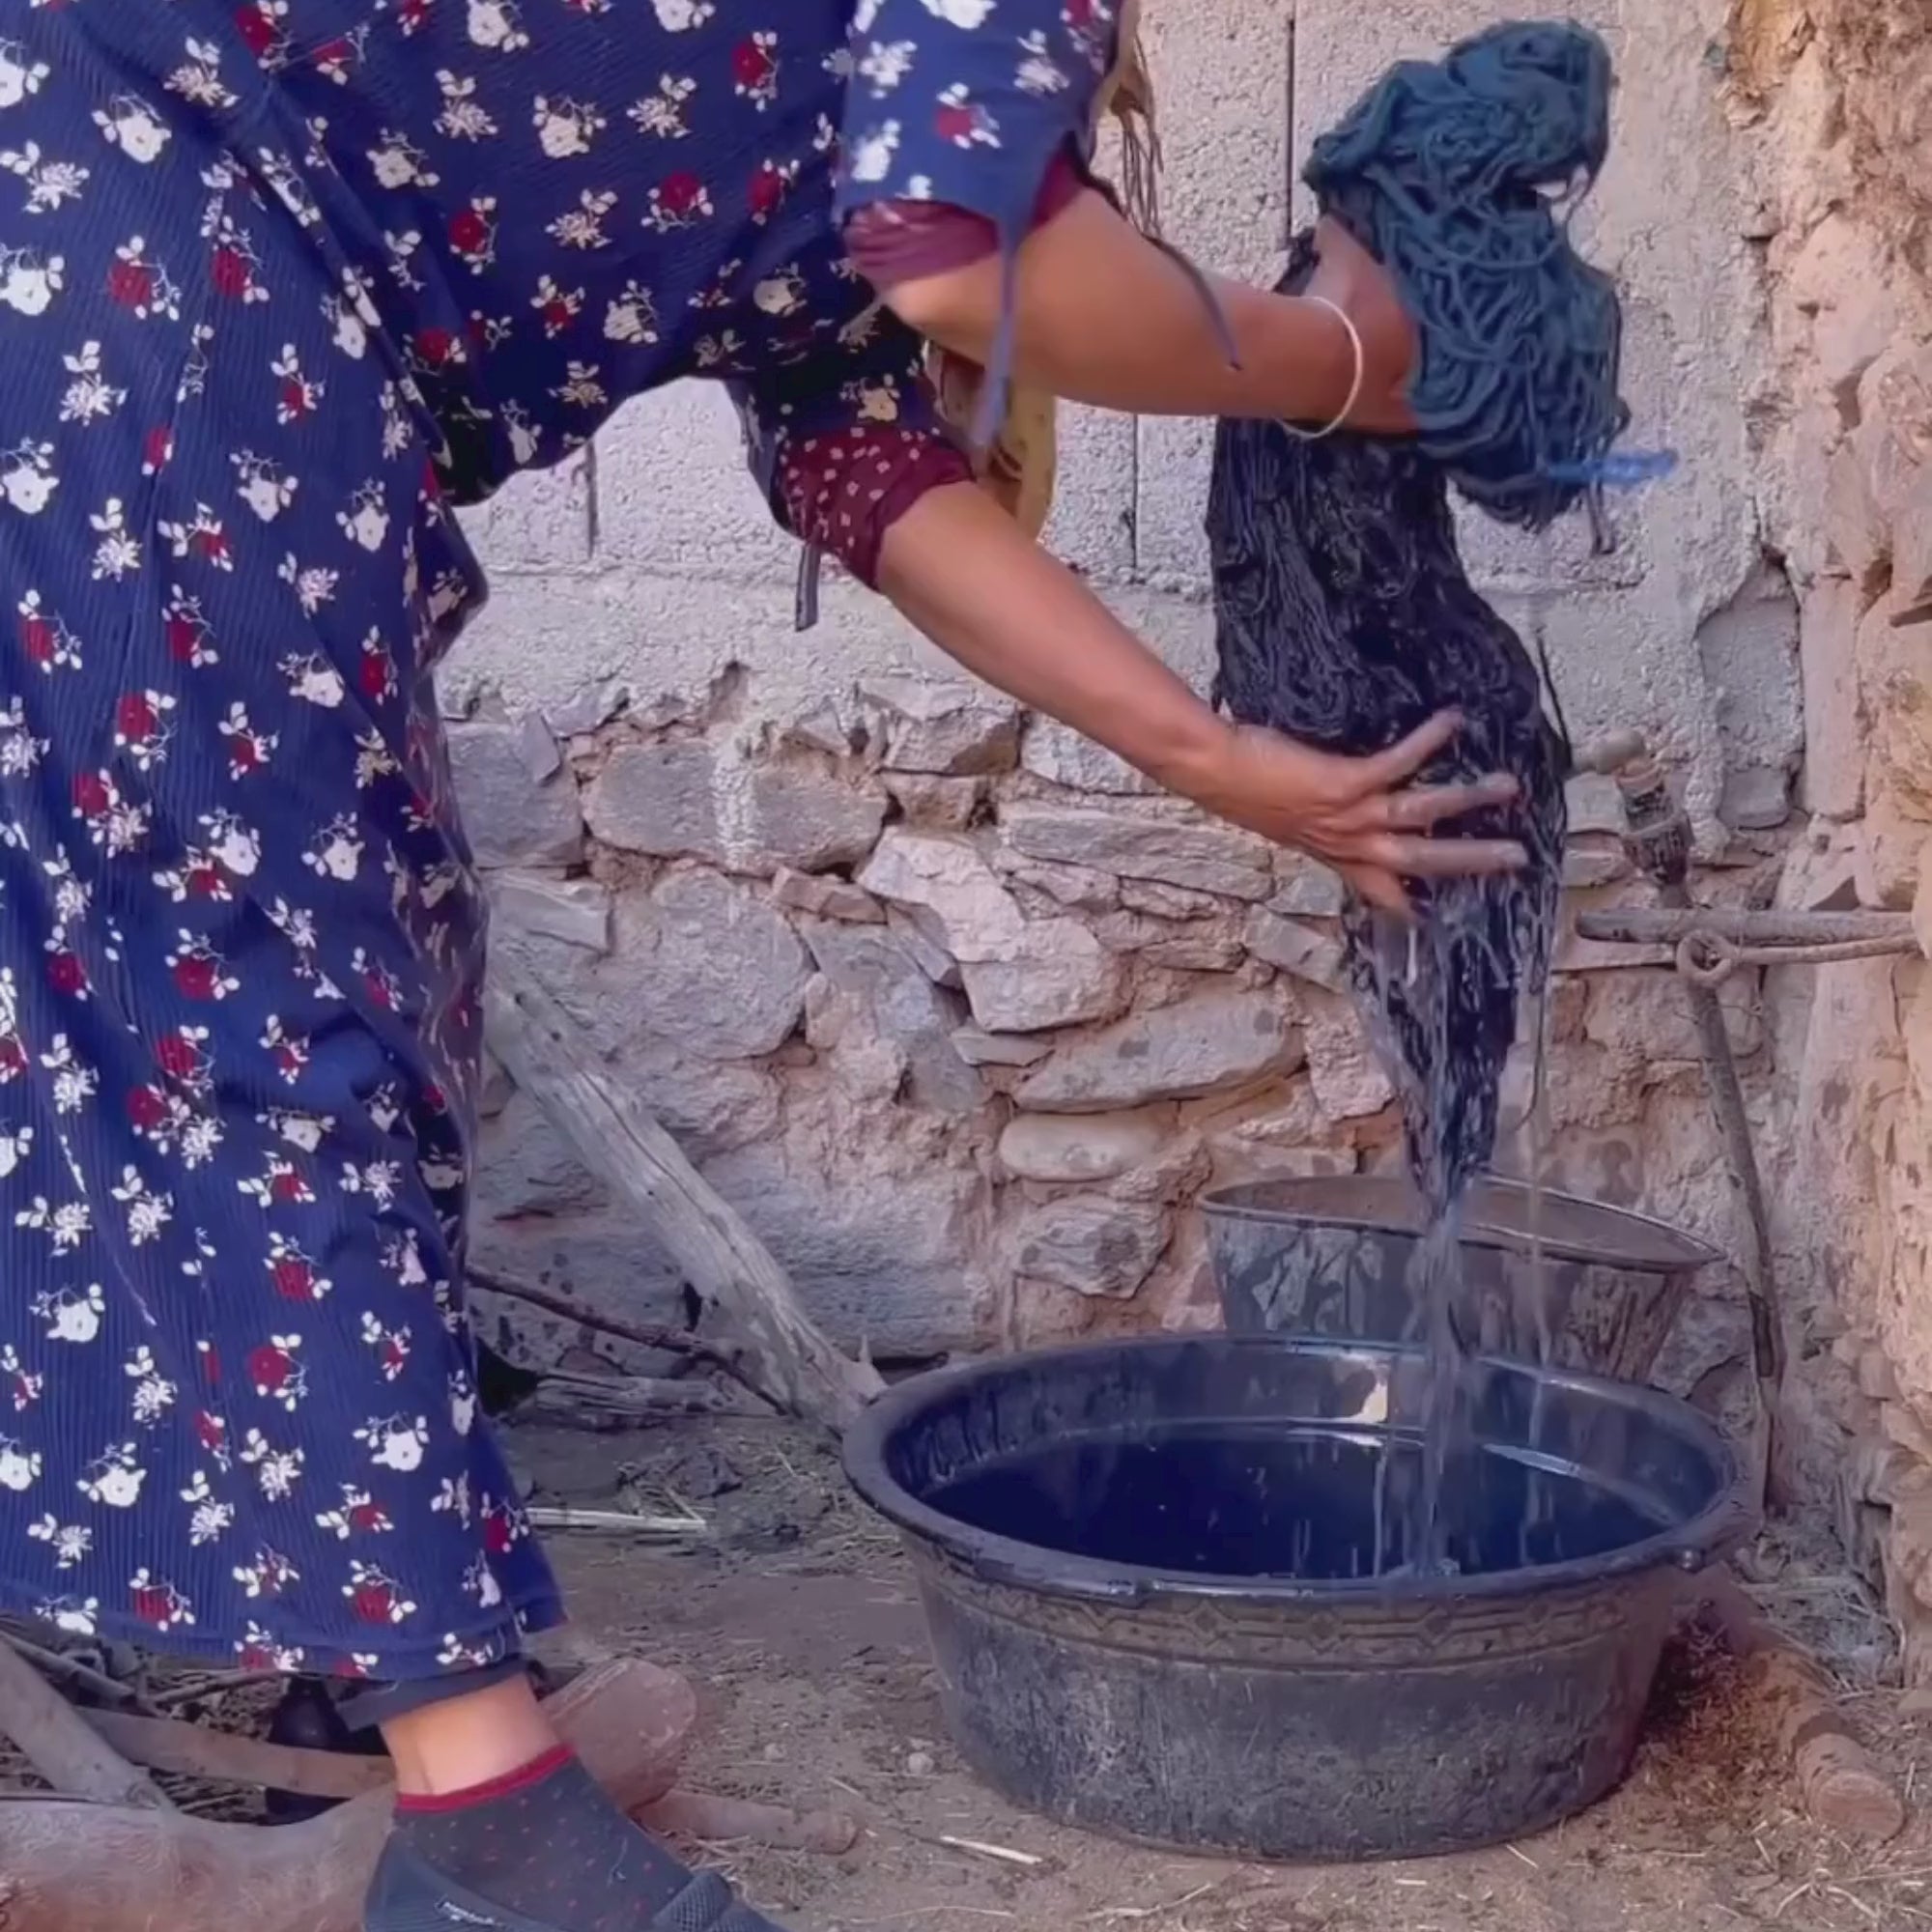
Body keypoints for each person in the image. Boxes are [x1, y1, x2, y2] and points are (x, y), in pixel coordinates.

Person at [0, 3, 1525, 1927]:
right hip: (119, 234)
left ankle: (354, 1635)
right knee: (266, 1004)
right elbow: (973, 256)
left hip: (181, 293)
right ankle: (487, 1831)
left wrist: (1225, 769)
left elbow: (885, 484)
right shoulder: (972, 60)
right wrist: (1349, 363)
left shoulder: (863, 179)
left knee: (331, 979)